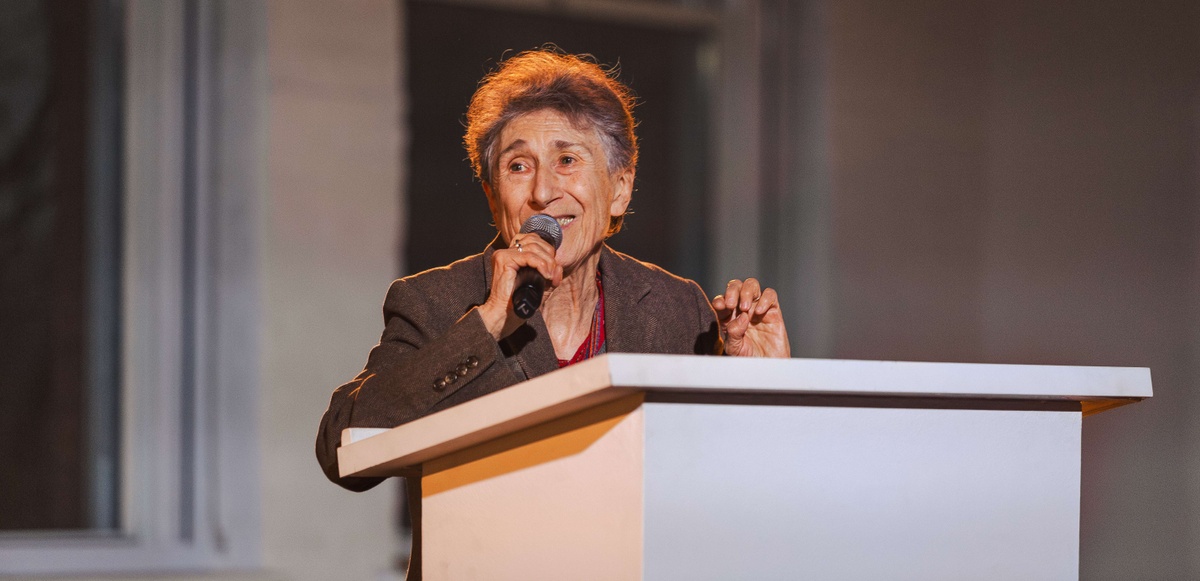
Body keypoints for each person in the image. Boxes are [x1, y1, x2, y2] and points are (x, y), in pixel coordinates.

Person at [316, 49, 790, 493]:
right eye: (519, 166)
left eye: (567, 160)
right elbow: (342, 449)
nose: (543, 191)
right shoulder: (435, 302)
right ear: (491, 195)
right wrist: (487, 326)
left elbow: (734, 478)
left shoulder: (678, 308)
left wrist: (763, 391)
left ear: (620, 190)